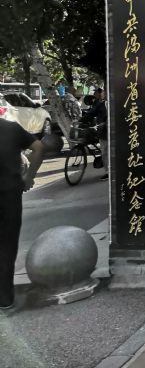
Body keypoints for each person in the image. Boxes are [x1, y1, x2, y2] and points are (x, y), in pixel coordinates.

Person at [0, 119, 44, 312]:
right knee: (7, 246)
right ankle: (5, 298)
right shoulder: (11, 128)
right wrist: (29, 177)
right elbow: (39, 147)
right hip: (9, 195)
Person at [85, 87, 108, 180]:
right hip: (103, 131)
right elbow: (91, 113)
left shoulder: (106, 103)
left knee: (107, 152)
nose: (95, 94)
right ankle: (109, 171)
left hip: (108, 131)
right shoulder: (100, 103)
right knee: (105, 152)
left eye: (97, 92)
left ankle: (110, 172)